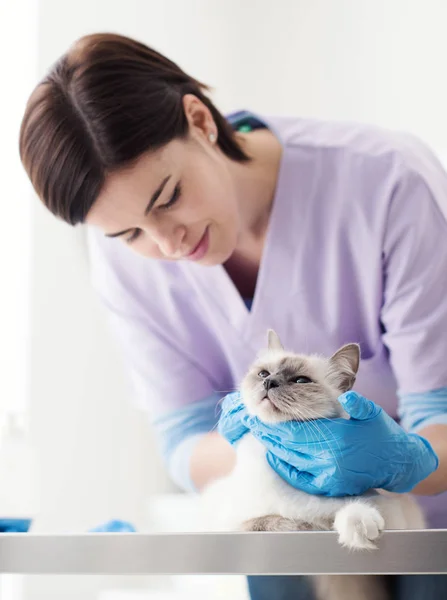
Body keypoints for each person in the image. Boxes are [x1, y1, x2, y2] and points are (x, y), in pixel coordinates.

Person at [19, 32, 447, 599]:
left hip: (426, 526)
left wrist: (396, 460)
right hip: (276, 525)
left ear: (198, 119)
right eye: (127, 233)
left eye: (167, 196)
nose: (166, 246)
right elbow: (183, 442)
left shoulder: (388, 182)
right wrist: (271, 443)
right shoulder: (121, 261)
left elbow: (439, 412)